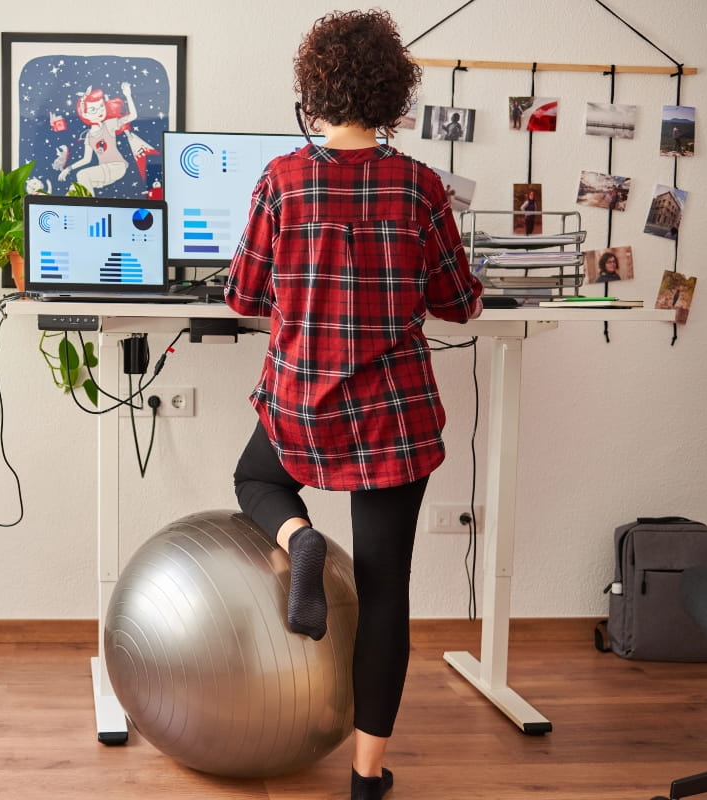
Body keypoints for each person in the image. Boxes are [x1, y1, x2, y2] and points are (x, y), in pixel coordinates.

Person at [223, 10, 483, 800]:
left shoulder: (283, 179)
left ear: (314, 94)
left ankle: (297, 534)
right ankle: (367, 781)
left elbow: (241, 296)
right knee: (386, 590)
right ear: (394, 98)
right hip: (394, 419)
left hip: (302, 405)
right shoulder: (420, 186)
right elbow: (458, 303)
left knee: (256, 481)